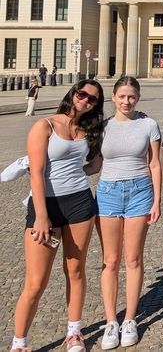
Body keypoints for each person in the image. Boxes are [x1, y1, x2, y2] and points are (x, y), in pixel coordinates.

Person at [11, 79, 105, 352]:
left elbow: (93, 165)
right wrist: (41, 216)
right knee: (35, 281)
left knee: (75, 270)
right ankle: (19, 343)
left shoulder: (90, 129)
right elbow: (37, 175)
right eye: (82, 94)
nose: (85, 100)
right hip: (47, 208)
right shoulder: (45, 126)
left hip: (80, 204)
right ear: (73, 93)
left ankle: (74, 333)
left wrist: (82, 173)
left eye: (92, 99)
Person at [92, 76, 161, 349]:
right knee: (110, 260)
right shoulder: (102, 127)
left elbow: (154, 164)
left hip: (140, 192)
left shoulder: (148, 125)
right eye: (122, 96)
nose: (126, 101)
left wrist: (157, 201)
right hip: (108, 193)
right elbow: (95, 164)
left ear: (138, 97)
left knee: (133, 259)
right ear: (113, 97)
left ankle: (130, 318)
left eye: (131, 96)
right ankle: (111, 321)